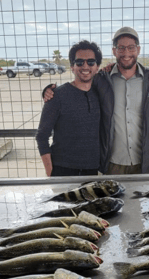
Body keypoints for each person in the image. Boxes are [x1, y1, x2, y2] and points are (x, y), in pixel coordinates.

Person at [43, 27, 149, 175]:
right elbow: (80, 84)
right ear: (114, 51)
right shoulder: (103, 80)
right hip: (112, 164)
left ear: (138, 49)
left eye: (131, 48)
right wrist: (51, 90)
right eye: (121, 48)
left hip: (144, 164)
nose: (126, 53)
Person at [35, 40, 102, 177]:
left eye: (90, 62)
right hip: (62, 170)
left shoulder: (101, 93)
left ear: (97, 67)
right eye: (79, 62)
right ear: (72, 66)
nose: (85, 66)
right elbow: (42, 136)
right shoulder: (57, 96)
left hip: (93, 171)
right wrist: (51, 173)